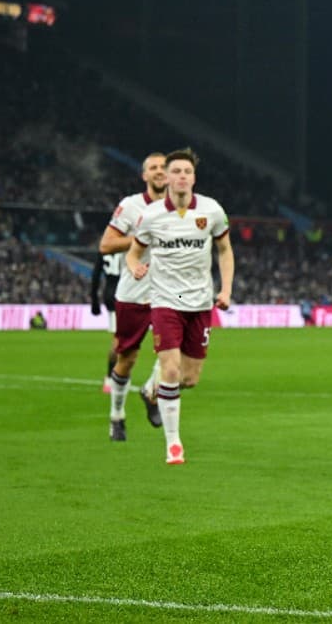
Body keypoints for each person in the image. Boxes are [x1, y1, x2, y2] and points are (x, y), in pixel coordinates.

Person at [125, 147, 234, 464]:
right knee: (171, 369)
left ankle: (150, 389)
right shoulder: (152, 216)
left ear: (193, 178)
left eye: (187, 171)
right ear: (167, 178)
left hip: (200, 302)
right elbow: (134, 252)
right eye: (176, 171)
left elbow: (225, 250)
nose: (181, 176)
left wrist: (225, 289)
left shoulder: (212, 211)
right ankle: (173, 444)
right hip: (164, 301)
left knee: (189, 378)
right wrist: (134, 266)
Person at [98, 152, 168, 441]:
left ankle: (151, 392)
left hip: (169, 291)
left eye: (164, 166)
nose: (160, 171)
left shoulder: (183, 207)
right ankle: (117, 415)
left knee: (174, 350)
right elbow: (106, 244)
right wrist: (139, 239)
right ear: (145, 175)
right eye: (153, 167)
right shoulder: (130, 206)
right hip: (134, 292)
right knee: (127, 358)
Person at [90, 251, 120, 394]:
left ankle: (113, 376)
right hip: (125, 294)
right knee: (119, 341)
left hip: (110, 295)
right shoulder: (129, 244)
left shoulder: (105, 248)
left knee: (119, 339)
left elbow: (95, 276)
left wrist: (94, 300)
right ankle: (111, 377)